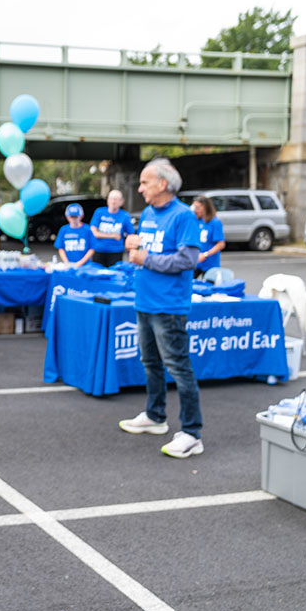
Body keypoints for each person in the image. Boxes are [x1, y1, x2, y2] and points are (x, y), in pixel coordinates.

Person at [117, 158, 205, 459]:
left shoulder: (184, 216)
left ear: (163, 184)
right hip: (145, 301)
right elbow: (145, 251)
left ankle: (192, 433)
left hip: (169, 306)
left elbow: (188, 260)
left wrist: (145, 259)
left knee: (179, 368)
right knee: (150, 363)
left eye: (144, 182)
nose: (140, 188)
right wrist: (133, 247)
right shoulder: (149, 213)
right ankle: (155, 417)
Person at [90, 189, 134, 267]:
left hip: (116, 252)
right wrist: (113, 236)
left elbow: (131, 234)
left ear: (121, 201)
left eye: (116, 199)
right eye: (111, 199)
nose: (113, 202)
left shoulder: (125, 215)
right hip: (99, 250)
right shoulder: (99, 212)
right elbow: (95, 233)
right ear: (108, 200)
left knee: (114, 275)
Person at [191, 195, 226, 280]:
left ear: (205, 207)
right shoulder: (197, 221)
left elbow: (221, 244)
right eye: (194, 207)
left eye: (198, 207)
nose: (196, 210)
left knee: (208, 289)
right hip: (196, 262)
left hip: (210, 264)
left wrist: (206, 254)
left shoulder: (215, 222)